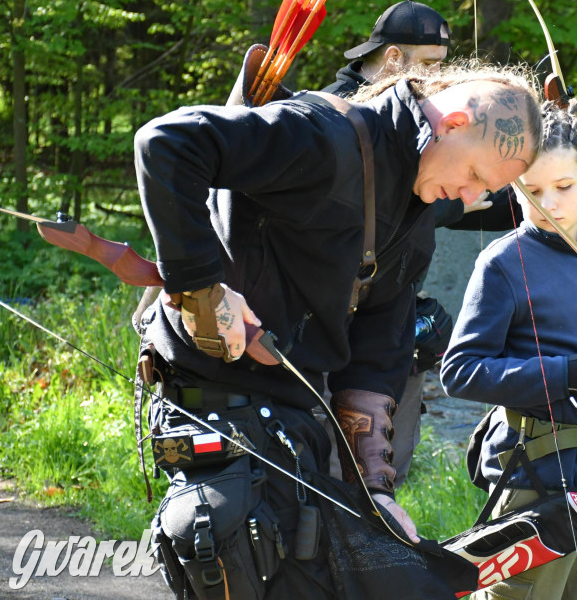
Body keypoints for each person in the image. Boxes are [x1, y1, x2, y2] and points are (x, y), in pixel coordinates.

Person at [134, 60, 542, 599]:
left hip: (293, 422)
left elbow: (375, 358)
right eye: (475, 177)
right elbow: (167, 143)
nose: (469, 198)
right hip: (210, 407)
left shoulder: (416, 217)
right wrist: (199, 288)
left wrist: (374, 490)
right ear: (453, 123)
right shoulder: (323, 138)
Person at [319, 0, 520, 489]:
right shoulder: (335, 113)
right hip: (327, 319)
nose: (439, 77)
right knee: (322, 468)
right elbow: (382, 206)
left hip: (389, 311)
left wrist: (546, 176)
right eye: (429, 63)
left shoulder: (424, 117)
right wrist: (451, 203)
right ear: (392, 58)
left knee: (383, 469)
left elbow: (480, 199)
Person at [439, 100, 577, 600]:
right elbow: (460, 370)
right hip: (538, 477)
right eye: (532, 191)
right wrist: (564, 374)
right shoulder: (502, 263)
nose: (549, 204)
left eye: (565, 187)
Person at [322, 0, 450, 97]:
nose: (437, 75)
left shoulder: (412, 101)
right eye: (428, 63)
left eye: (440, 64)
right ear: (393, 58)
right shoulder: (329, 109)